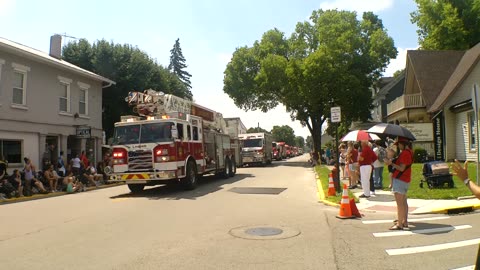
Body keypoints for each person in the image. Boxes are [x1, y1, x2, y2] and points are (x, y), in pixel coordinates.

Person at [384, 137, 413, 230]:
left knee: (399, 204)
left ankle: (399, 224)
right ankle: (404, 221)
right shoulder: (409, 152)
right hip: (405, 179)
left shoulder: (404, 153)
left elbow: (401, 168)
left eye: (399, 144)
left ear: (403, 144)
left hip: (400, 180)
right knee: (404, 202)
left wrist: (391, 164)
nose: (398, 146)